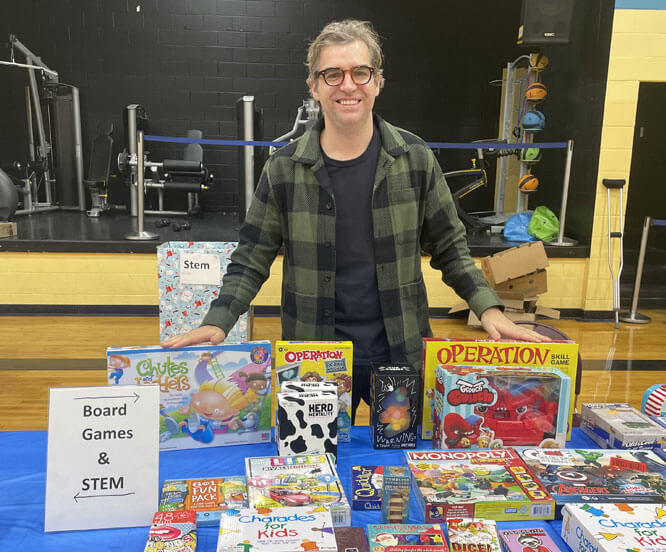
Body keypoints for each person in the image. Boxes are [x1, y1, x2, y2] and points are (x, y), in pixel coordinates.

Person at [162, 19, 549, 417]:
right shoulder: (283, 168)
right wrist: (220, 319)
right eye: (332, 74)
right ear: (314, 86)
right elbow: (252, 256)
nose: (348, 85)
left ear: (378, 81)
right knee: (313, 469)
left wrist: (488, 308)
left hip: (400, 353)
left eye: (360, 72)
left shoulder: (415, 159)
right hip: (313, 358)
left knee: (401, 465)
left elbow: (450, 247)